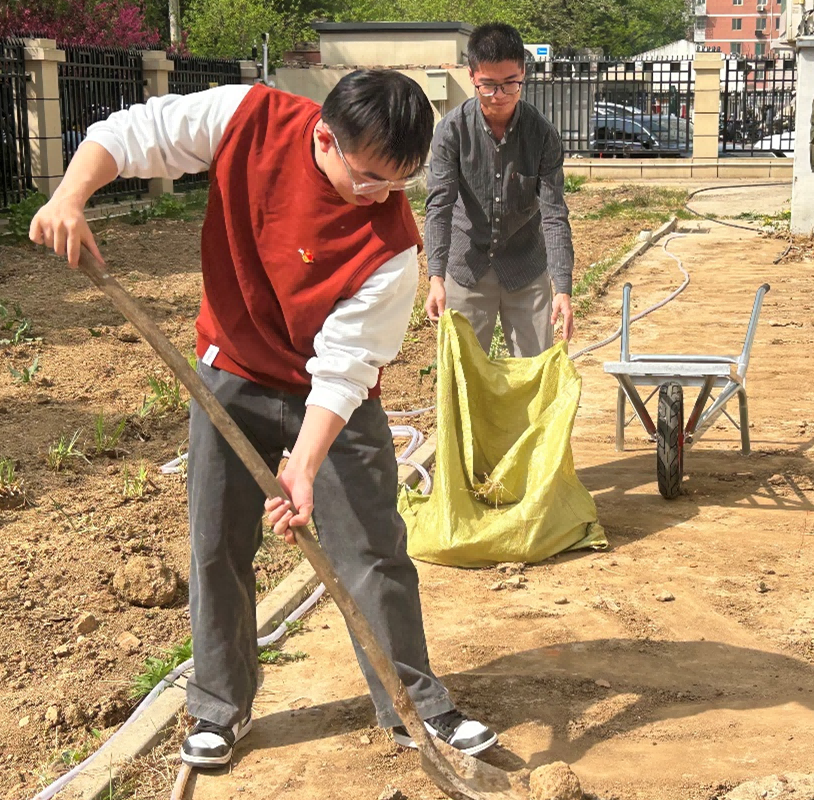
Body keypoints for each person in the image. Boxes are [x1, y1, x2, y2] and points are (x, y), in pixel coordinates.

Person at [29, 71, 498, 768]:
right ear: (325, 137)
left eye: (399, 182)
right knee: (217, 543)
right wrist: (70, 195)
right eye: (369, 177)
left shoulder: (394, 246)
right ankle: (220, 708)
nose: (380, 196)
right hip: (233, 371)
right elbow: (130, 134)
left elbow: (345, 368)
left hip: (334, 397)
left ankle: (415, 707)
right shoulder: (247, 118)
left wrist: (302, 468)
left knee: (372, 549)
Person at [424, 22, 575, 357]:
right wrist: (436, 277)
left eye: (510, 84)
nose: (500, 96)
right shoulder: (451, 131)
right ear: (471, 76)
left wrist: (562, 288)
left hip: (525, 266)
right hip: (466, 266)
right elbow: (439, 207)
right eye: (488, 85)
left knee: (535, 370)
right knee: (462, 372)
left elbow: (554, 214)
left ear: (523, 73)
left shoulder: (542, 134)